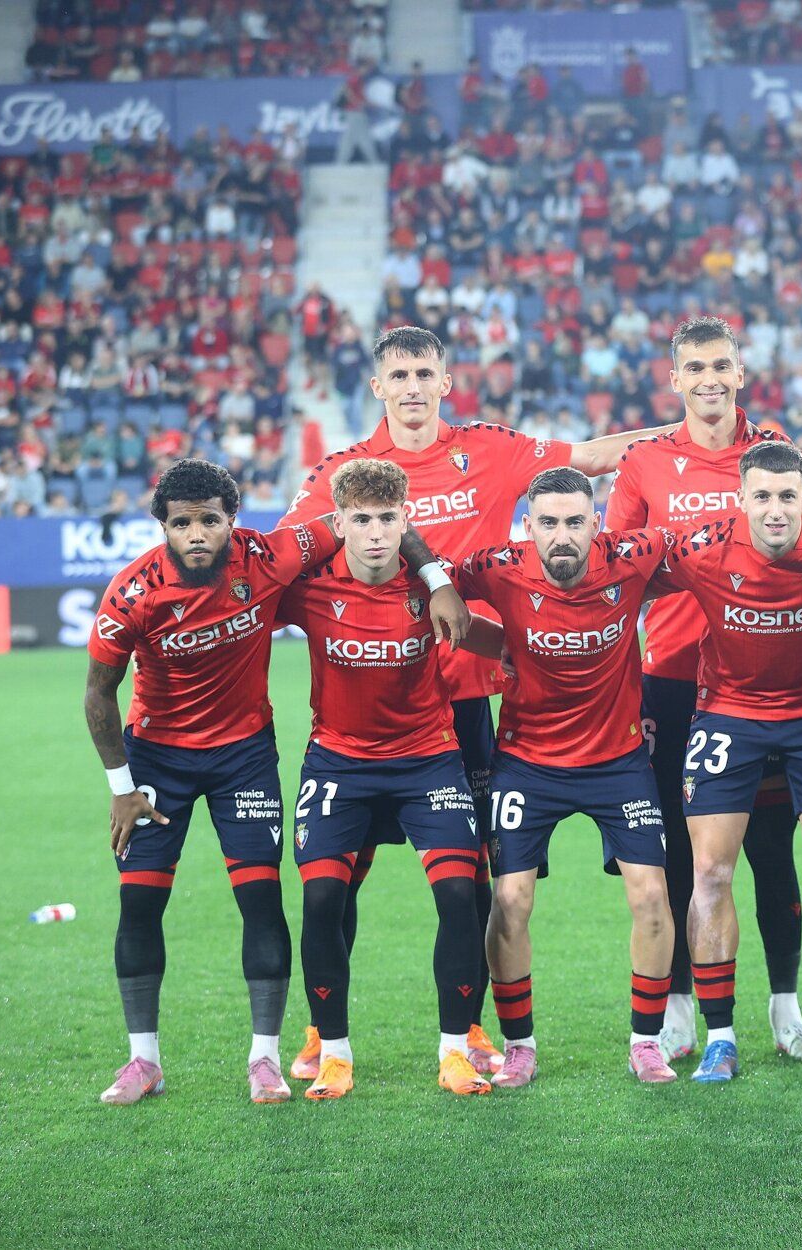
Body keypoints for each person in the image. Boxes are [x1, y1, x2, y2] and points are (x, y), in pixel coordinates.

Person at [278, 325, 662, 1078]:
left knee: (478, 875)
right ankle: (324, 1032)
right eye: (400, 375)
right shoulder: (340, 474)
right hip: (372, 701)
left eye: (426, 372)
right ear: (379, 387)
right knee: (337, 876)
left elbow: (589, 457)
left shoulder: (491, 446)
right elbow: (284, 556)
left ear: (445, 381)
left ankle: (474, 1026)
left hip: (466, 701)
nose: (414, 386)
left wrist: (688, 429)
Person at [82, 458, 461, 1105]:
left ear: (233, 520)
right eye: (181, 523)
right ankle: (142, 1060)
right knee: (139, 903)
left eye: (209, 520)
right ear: (163, 527)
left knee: (260, 901)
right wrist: (122, 786)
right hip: (158, 762)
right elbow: (98, 693)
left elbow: (374, 521)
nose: (196, 533)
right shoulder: (132, 592)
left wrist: (435, 577)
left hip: (244, 759)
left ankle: (265, 1060)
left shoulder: (271, 555)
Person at [650, 440, 802, 1083]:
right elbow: (616, 580)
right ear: (741, 499)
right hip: (727, 716)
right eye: (762, 496)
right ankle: (720, 1037)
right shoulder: (700, 547)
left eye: (789, 496)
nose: (776, 510)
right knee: (710, 872)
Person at [606, 317, 802, 1063]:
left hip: (766, 684)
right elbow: (617, 573)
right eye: (693, 366)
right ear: (674, 378)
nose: (708, 378)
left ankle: (785, 1008)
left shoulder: (773, 453)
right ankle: (680, 1007)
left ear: (740, 370)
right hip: (670, 683)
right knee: (680, 856)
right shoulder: (643, 463)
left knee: (771, 850)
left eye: (720, 364)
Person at [277, 458, 501, 1101]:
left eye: (386, 519)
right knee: (322, 900)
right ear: (338, 522)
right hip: (338, 763)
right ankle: (332, 1049)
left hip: (428, 759)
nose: (375, 533)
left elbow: (493, 642)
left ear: (406, 521)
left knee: (461, 896)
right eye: (361, 520)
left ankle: (455, 1051)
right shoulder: (308, 587)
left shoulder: (434, 587)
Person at [453, 468, 682, 1085]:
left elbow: (716, 541)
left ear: (597, 524)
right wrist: (493, 639)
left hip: (618, 761)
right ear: (528, 527)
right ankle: (519, 1044)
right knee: (510, 899)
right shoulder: (497, 566)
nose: (562, 536)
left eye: (575, 522)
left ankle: (647, 1042)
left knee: (652, 897)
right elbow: (428, 589)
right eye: (548, 522)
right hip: (528, 762)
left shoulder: (634, 558)